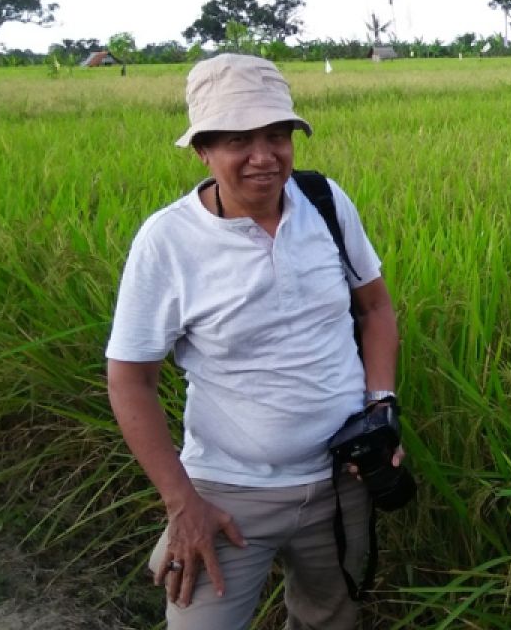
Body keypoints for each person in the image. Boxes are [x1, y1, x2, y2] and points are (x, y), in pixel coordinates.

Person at [106, 53, 403, 630]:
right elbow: (130, 378)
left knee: (330, 620)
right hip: (223, 494)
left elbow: (375, 308)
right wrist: (182, 503)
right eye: (239, 140)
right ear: (202, 150)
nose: (264, 157)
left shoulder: (324, 201)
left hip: (342, 480)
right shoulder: (168, 241)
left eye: (277, 135)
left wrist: (382, 406)